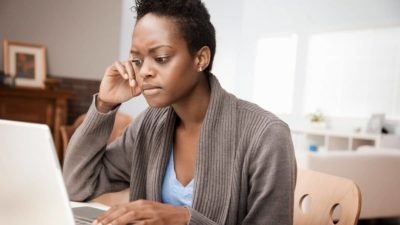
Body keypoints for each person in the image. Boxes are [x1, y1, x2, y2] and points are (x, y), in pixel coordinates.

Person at [63, 0, 297, 224]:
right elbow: (77, 187)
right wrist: (105, 104)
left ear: (200, 59)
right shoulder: (149, 125)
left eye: (161, 58)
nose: (144, 71)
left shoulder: (266, 136)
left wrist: (184, 219)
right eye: (136, 60)